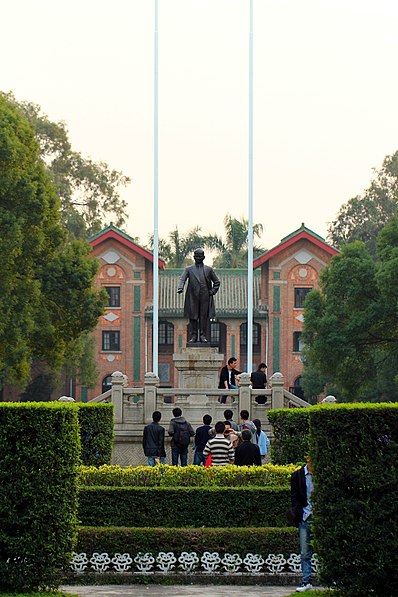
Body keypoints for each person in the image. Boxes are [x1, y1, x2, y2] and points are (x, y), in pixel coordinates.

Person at [177, 247, 220, 343]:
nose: (198, 258)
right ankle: (193, 336)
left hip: (205, 297)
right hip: (193, 297)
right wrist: (180, 287)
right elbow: (182, 279)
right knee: (193, 317)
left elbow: (217, 282)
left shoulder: (209, 270)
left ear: (203, 257)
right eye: (196, 256)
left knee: (203, 317)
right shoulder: (189, 269)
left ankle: (203, 335)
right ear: (194, 257)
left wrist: (212, 291)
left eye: (200, 256)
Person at [290, 455, 314, 592]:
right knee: (305, 552)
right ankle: (307, 581)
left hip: (318, 516)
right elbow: (294, 496)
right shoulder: (298, 475)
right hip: (305, 516)